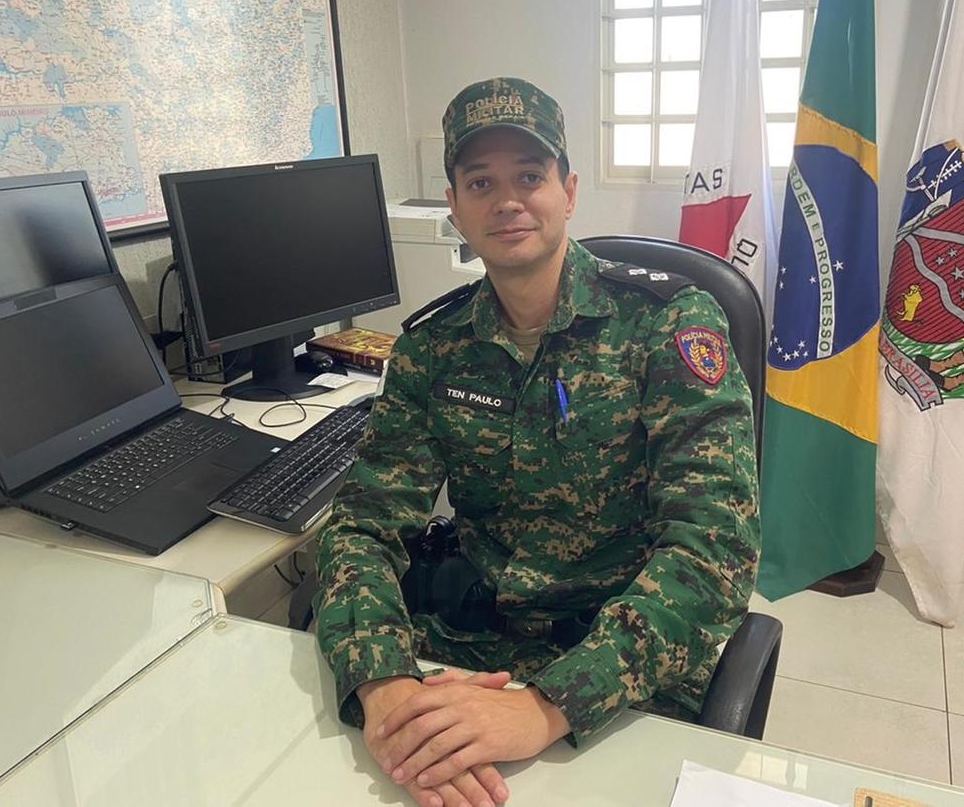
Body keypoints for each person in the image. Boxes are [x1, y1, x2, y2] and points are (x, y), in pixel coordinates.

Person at [315, 77, 760, 807]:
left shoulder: (667, 324)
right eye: (480, 182)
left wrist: (547, 706)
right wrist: (384, 683)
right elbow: (364, 525)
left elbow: (716, 549)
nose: (508, 200)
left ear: (569, 190)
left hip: (628, 662)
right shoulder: (433, 349)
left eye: (530, 176)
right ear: (454, 208)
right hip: (471, 650)